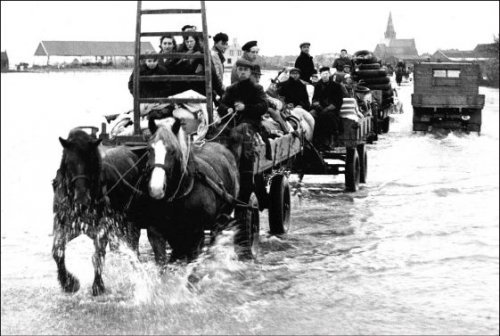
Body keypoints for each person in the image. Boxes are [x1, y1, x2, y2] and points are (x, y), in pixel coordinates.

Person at [310, 66, 344, 150]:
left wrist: (328, 108)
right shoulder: (317, 85)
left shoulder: (336, 86)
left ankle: (331, 139)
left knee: (328, 116)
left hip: (332, 109)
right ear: (320, 75)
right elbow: (314, 98)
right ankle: (313, 140)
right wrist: (316, 104)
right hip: (319, 108)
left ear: (329, 74)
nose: (325, 76)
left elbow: (338, 101)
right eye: (323, 74)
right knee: (310, 115)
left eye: (326, 74)